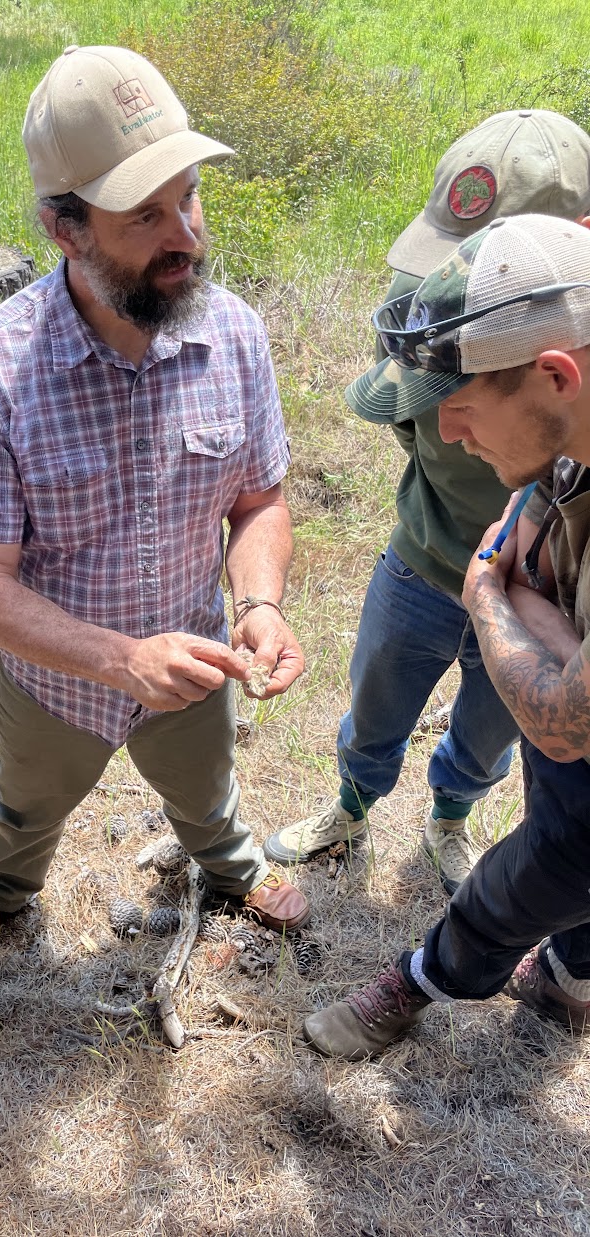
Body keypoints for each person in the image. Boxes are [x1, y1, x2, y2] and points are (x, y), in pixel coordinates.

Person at [0, 44, 309, 936]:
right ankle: (2, 890)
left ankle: (228, 867)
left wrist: (257, 601)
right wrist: (119, 658)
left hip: (198, 666)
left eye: (189, 196)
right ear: (66, 230)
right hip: (55, 685)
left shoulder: (236, 335)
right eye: (144, 215)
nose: (185, 234)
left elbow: (258, 500)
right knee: (26, 805)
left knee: (207, 790)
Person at [264, 110, 590, 895]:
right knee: (379, 686)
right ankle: (350, 802)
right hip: (425, 552)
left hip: (526, 588)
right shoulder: (422, 296)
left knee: (487, 726)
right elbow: (401, 415)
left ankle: (450, 814)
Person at [303, 211, 590, 1059]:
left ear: (554, 375)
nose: (450, 437)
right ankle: (572, 978)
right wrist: (543, 620)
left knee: (549, 865)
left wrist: (488, 595)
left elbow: (563, 720)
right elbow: (531, 520)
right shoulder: (569, 419)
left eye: (461, 409)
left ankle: (423, 976)